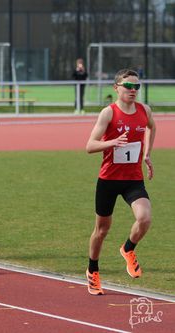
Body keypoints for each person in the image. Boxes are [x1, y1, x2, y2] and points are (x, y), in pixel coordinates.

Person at [85, 69, 156, 296]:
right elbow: (89, 146)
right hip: (108, 179)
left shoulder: (145, 110)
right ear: (116, 88)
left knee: (144, 218)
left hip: (133, 179)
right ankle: (93, 270)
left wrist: (147, 154)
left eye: (137, 87)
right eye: (128, 86)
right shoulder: (108, 113)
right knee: (102, 230)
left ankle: (128, 249)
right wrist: (112, 142)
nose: (133, 90)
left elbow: (152, 127)